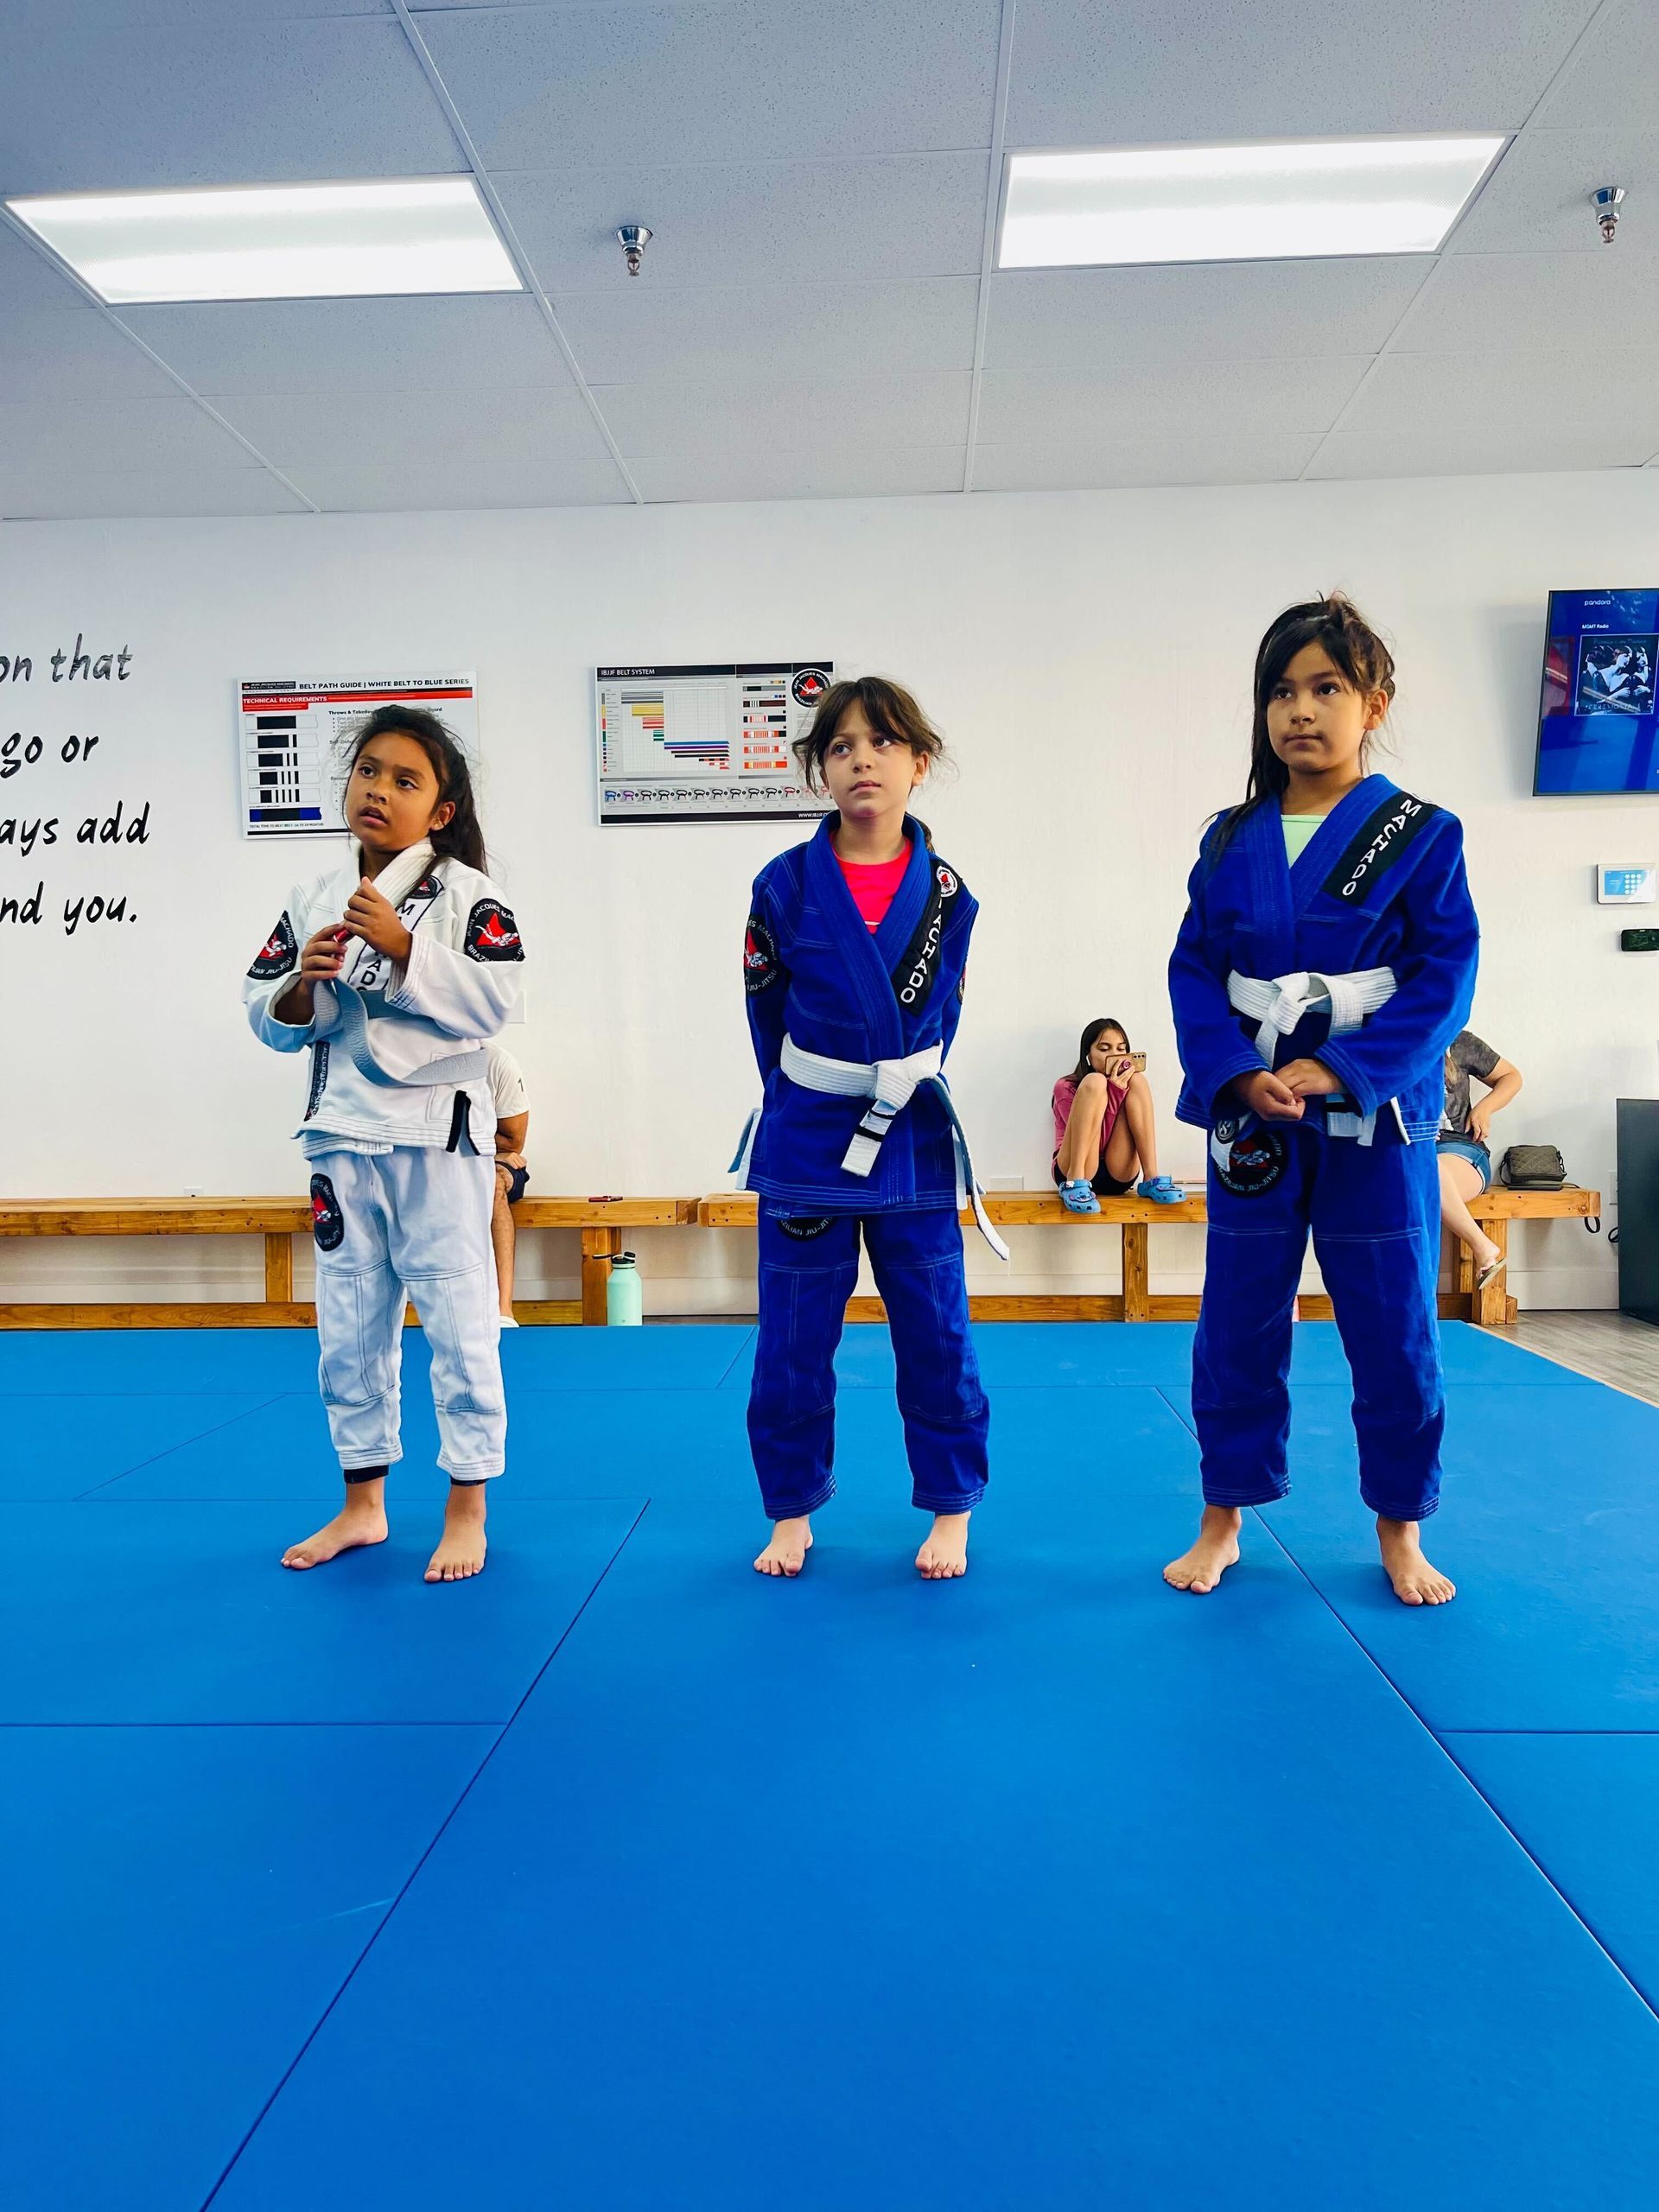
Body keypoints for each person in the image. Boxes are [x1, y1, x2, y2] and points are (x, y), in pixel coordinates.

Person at [1163, 594, 1478, 1607]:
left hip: (1374, 1118)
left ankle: (1400, 1524)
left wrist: (1343, 1067)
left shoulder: (1425, 835)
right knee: (1238, 1321)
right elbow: (1192, 971)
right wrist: (1232, 1073)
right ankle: (1224, 1514)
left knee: (1392, 1327)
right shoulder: (1228, 839)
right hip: (1254, 1114)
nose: (1302, 710)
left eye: (1327, 687)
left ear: (1373, 701)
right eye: (1282, 691)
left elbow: (1444, 976)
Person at [243, 706, 525, 1584]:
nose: (379, 790)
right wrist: (302, 985)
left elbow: (495, 1004)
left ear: (441, 811)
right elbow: (267, 1012)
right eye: (369, 771)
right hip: (339, 1139)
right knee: (349, 1327)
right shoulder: (312, 899)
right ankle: (363, 1504)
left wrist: (404, 948)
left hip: (435, 1142)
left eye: (406, 780)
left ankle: (466, 1505)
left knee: (459, 1322)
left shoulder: (473, 899)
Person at [736, 677, 1001, 1582]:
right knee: (793, 1339)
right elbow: (765, 1013)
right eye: (842, 747)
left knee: (936, 1332)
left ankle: (951, 1508)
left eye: (882, 744)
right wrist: (801, 1099)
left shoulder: (950, 894)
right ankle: (792, 1511)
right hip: (809, 1133)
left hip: (912, 1137)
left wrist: (897, 1085)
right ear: (821, 770)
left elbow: (944, 1017)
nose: (862, 761)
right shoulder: (782, 886)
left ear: (918, 764)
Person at [1051, 1017, 1183, 1211]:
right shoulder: (1066, 1087)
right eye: (1104, 1049)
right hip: (1075, 1169)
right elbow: (1093, 1137)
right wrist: (1112, 1091)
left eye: (1121, 1049)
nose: (1115, 1055)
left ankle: (1151, 1177)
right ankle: (1075, 1182)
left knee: (1137, 1080)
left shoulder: (1128, 1084)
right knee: (1095, 1081)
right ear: (1088, 1054)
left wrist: (1118, 1091)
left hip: (1118, 1174)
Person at [1438, 1031, 1522, 1290]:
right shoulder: (1380, 1041)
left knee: (1422, 1171)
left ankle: (1482, 1245)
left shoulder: (1458, 1040)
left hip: (1461, 1149)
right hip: (1406, 1151)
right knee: (1411, 1172)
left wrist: (1485, 1107)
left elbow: (1511, 1077)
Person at [486, 1041, 531, 1325]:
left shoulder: (497, 1063)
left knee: (490, 1183)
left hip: (495, 1164)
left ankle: (503, 1310)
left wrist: (481, 1149)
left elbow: (514, 1143)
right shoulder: (410, 1058)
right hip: (435, 1162)